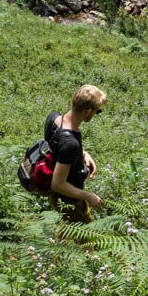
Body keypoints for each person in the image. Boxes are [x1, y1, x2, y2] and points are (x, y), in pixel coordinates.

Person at [47, 84, 106, 223]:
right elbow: (58, 184)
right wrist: (88, 196)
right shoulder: (70, 143)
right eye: (97, 111)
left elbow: (56, 145)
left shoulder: (53, 118)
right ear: (88, 111)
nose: (95, 115)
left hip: (56, 197)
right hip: (68, 199)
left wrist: (82, 153)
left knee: (66, 233)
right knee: (86, 238)